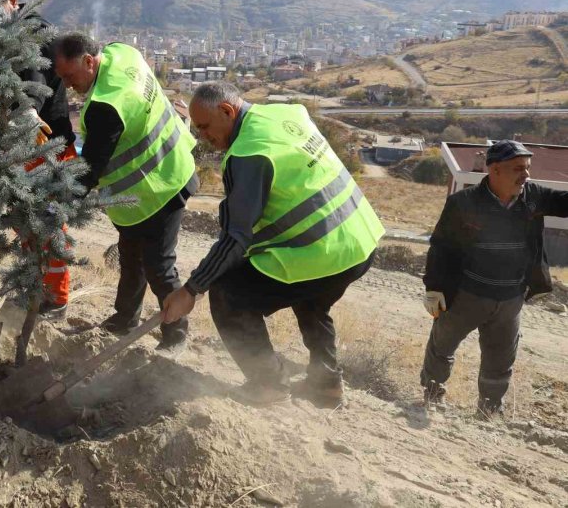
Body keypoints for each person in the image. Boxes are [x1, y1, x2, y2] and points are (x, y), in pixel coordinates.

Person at [162, 83, 384, 406]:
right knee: (310, 296)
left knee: (228, 295)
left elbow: (236, 238)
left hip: (325, 250)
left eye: (206, 127)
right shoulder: (283, 113)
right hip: (359, 240)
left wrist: (191, 290)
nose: (203, 137)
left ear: (227, 111)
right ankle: (325, 385)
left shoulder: (248, 153)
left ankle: (268, 386)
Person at [52, 32, 198, 351]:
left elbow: (89, 170)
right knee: (131, 257)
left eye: (69, 75)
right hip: (157, 177)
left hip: (160, 186)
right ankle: (124, 318)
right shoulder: (122, 54)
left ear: (89, 61)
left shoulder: (107, 105)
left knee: (158, 264)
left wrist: (57, 205)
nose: (66, 84)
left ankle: (177, 334)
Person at [420, 139, 568, 418]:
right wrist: (434, 288)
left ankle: (489, 410)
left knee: (500, 360)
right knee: (442, 347)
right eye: (518, 169)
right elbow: (442, 247)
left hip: (510, 299)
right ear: (495, 170)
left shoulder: (532, 196)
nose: (526, 175)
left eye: (527, 168)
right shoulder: (463, 203)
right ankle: (431, 396)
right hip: (467, 295)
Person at [0, 0, 77, 320]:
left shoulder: (27, 32)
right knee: (28, 222)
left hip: (44, 145)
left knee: (47, 225)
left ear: (11, 0)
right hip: (27, 145)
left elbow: (34, 82)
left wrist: (25, 111)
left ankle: (55, 300)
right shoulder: (10, 32)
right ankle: (35, 288)